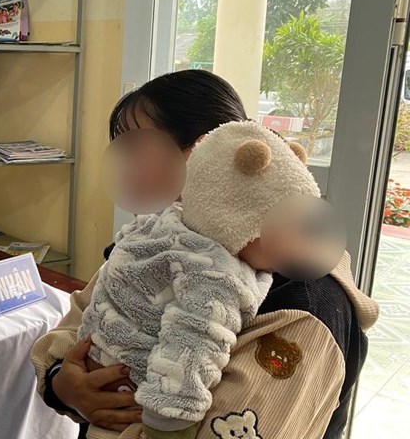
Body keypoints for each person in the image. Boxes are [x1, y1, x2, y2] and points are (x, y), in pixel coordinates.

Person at [30, 70, 379, 439]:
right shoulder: (157, 242)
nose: (124, 169)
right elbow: (72, 328)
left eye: (137, 150)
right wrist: (63, 386)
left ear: (205, 152)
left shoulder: (304, 304)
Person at [77, 120, 323, 439]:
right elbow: (188, 356)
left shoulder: (163, 226)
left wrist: (65, 372)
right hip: (131, 401)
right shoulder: (216, 276)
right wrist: (168, 429)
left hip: (95, 362)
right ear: (239, 217)